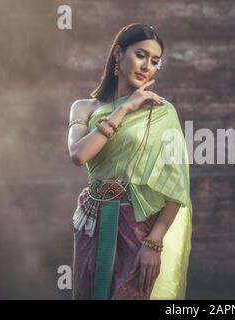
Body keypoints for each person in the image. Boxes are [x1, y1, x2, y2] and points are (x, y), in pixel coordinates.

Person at [67, 23, 192, 300]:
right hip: (92, 219)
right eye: (140, 54)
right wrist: (125, 108)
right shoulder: (85, 108)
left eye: (155, 61)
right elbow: (79, 155)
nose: (147, 65)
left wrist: (154, 242)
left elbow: (176, 187)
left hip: (138, 226)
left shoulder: (163, 113)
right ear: (118, 54)